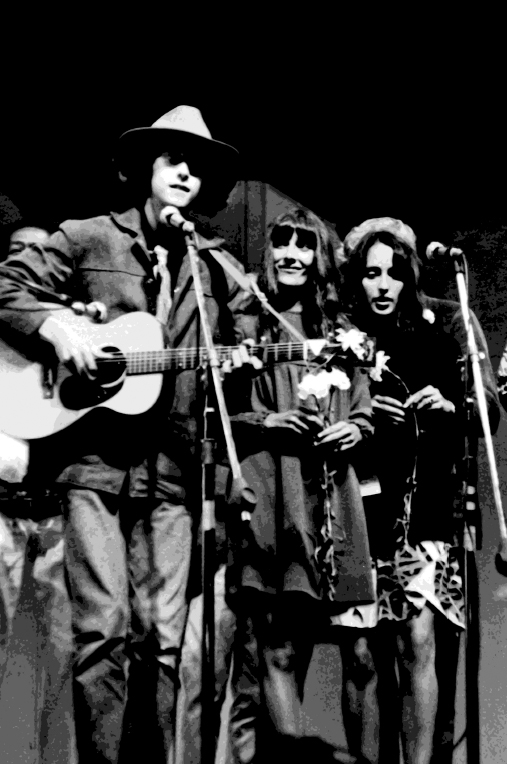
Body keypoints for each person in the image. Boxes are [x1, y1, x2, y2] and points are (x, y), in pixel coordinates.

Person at [0, 104, 251, 764]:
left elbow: (252, 346)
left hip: (173, 472)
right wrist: (61, 329)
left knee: (165, 639)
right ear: (147, 169)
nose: (186, 175)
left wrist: (252, 356)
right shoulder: (86, 238)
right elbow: (9, 287)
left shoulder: (214, 270)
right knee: (103, 631)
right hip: (94, 467)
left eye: (198, 169)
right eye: (174, 161)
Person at [335, 217, 499, 764]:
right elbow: (322, 409)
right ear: (355, 279)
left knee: (417, 641)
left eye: (394, 273)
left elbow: (487, 410)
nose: (382, 285)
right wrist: (359, 413)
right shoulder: (343, 337)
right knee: (359, 652)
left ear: (411, 276)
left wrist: (450, 408)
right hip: (356, 508)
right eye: (371, 274)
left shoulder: (443, 326)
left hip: (424, 509)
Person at [226, 208, 375, 763]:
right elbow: (218, 418)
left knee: (307, 643)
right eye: (282, 243)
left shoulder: (341, 332)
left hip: (327, 496)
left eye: (304, 245)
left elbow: (363, 413)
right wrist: (266, 422)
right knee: (275, 650)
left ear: (318, 257)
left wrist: (351, 428)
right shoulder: (244, 325)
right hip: (270, 490)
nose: (292, 254)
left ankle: (283, 754)